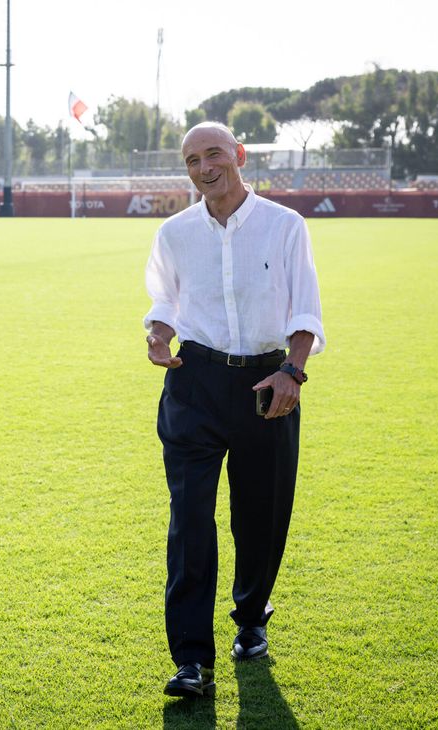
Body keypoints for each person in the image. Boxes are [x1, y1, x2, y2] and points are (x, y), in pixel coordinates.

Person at [144, 122, 325, 697]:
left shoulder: (284, 226)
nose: (204, 167)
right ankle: (191, 660)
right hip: (192, 383)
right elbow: (166, 297)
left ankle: (250, 618)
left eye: (214, 154)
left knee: (260, 516)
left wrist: (292, 372)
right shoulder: (174, 233)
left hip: (267, 384)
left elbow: (306, 307)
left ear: (239, 156)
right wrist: (158, 335)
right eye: (193, 159)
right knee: (190, 523)